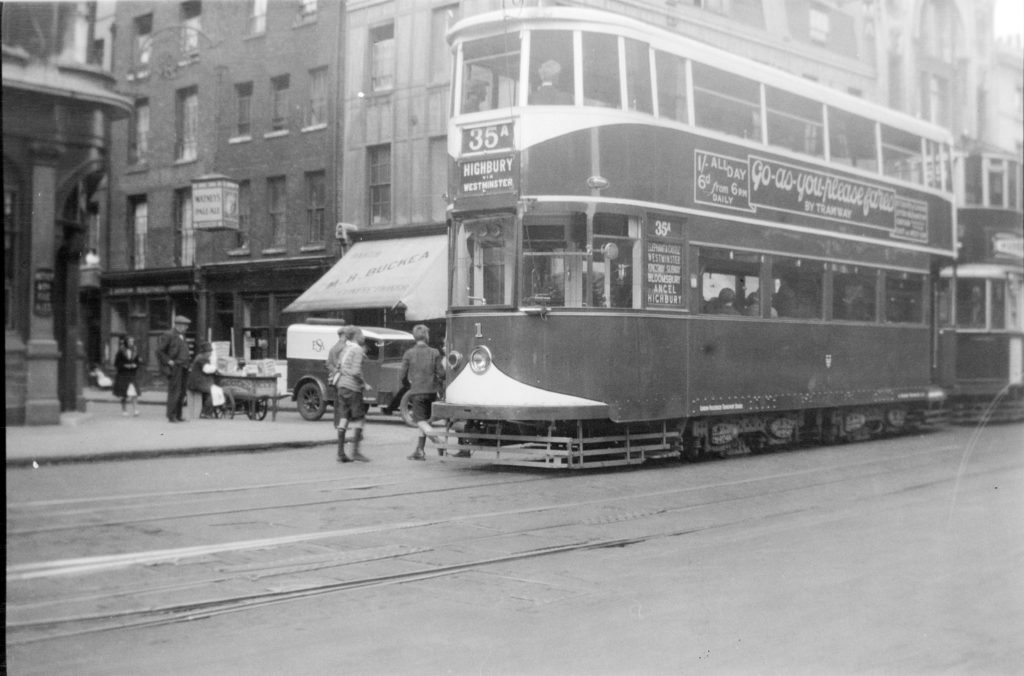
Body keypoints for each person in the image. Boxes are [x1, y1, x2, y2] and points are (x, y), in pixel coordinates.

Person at [399, 324, 446, 461]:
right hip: (432, 392)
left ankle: (438, 442)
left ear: (414, 337)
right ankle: (420, 450)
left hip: (417, 391)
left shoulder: (409, 353)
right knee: (425, 421)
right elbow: (442, 374)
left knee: (419, 421)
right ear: (427, 336)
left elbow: (402, 375)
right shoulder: (435, 352)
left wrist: (408, 385)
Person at [332, 326, 370, 463]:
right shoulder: (358, 350)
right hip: (353, 388)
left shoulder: (345, 349)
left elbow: (338, 367)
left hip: (341, 386)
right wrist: (364, 384)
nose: (363, 337)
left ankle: (341, 453)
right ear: (355, 336)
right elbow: (355, 372)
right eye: (361, 334)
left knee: (344, 418)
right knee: (359, 419)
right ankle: (355, 452)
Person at [156, 315, 192, 423]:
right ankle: (171, 415)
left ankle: (179, 415)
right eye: (185, 326)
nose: (186, 328)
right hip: (176, 366)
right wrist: (168, 361)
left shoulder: (182, 335)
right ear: (178, 325)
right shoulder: (169, 335)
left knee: (182, 392)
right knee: (175, 391)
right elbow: (159, 351)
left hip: (184, 366)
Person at [112, 335, 142, 417]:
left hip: (132, 374)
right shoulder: (121, 351)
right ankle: (124, 410)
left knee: (134, 393)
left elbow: (138, 362)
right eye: (130, 342)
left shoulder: (135, 350)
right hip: (123, 375)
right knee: (124, 394)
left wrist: (135, 365)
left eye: (132, 341)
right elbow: (116, 363)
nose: (132, 343)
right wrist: (125, 366)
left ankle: (135, 410)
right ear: (126, 342)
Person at [187, 341, 218, 418]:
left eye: (211, 351)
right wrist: (215, 367)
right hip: (198, 382)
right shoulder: (202, 358)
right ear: (205, 352)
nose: (210, 353)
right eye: (209, 352)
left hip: (199, 381)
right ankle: (205, 412)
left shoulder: (200, 357)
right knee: (214, 392)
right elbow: (207, 369)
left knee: (211, 391)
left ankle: (206, 411)